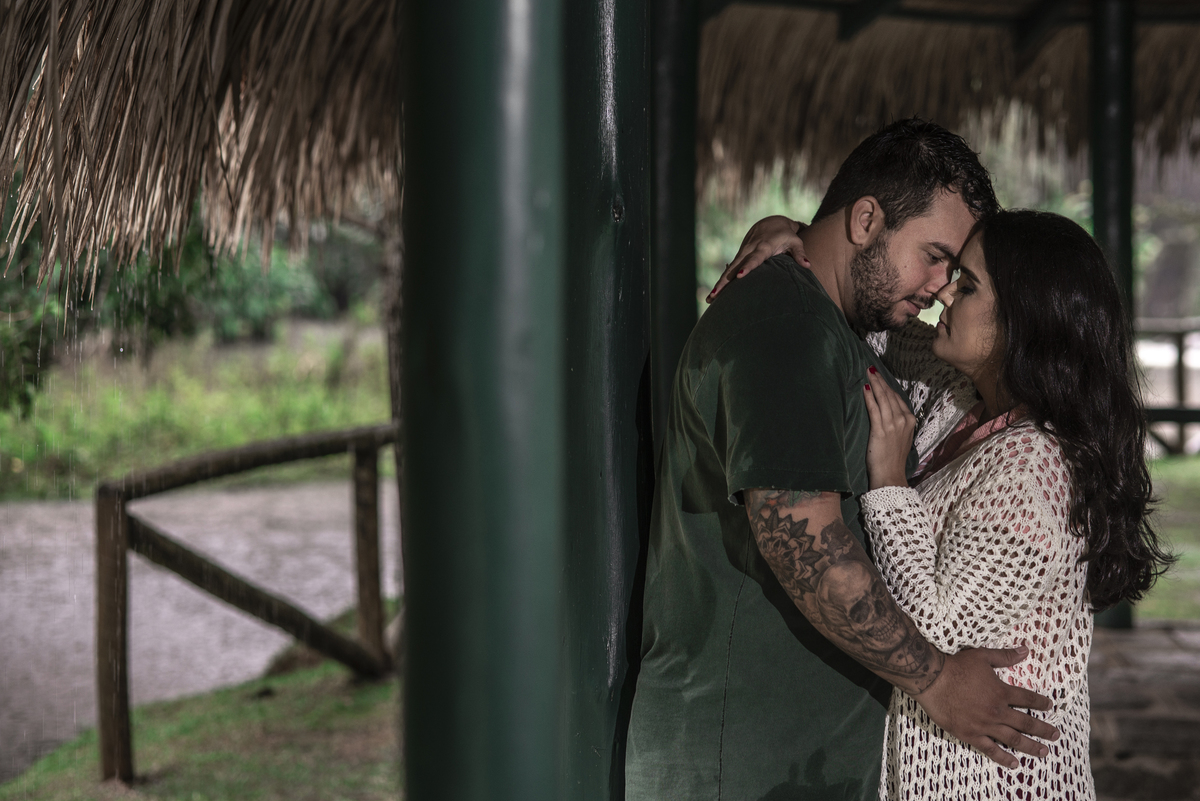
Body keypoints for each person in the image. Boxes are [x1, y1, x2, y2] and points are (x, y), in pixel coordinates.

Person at [624, 119, 1059, 801]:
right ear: (865, 219)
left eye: (957, 271)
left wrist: (785, 223)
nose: (943, 286)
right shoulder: (786, 329)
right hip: (743, 758)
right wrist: (938, 680)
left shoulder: (841, 330)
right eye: (935, 256)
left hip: (798, 762)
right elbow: (804, 540)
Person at [725, 210, 1173, 799]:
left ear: (1025, 319)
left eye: (967, 286)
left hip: (993, 782)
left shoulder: (1034, 465)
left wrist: (888, 485)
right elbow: (871, 302)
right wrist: (795, 236)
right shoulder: (963, 396)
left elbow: (936, 630)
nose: (942, 297)